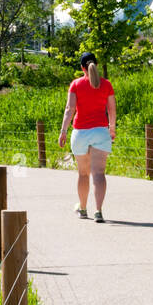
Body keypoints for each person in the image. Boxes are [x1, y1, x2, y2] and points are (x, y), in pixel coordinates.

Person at [58, 51, 116, 222]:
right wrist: (111, 129)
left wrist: (63, 132)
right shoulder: (106, 85)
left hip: (80, 133)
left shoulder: (76, 84)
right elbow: (111, 109)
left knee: (83, 174)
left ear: (81, 67)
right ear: (96, 65)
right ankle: (98, 211)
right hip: (100, 132)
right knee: (99, 173)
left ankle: (82, 209)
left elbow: (70, 110)